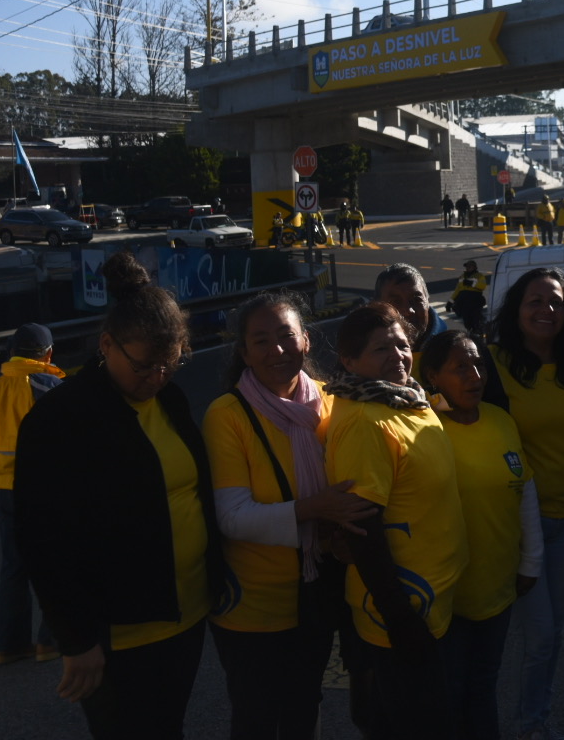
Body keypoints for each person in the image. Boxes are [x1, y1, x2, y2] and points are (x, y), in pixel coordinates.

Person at [14, 252, 223, 739]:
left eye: (171, 365)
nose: (156, 378)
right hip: (118, 634)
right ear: (107, 344)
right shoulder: (60, 421)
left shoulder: (168, 399)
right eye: (144, 366)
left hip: (185, 616)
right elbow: (43, 541)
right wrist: (76, 638)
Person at [202, 289, 378, 739]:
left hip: (315, 592)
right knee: (257, 714)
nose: (276, 350)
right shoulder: (228, 415)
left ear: (306, 341)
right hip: (252, 604)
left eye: (286, 336)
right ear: (243, 353)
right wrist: (313, 509)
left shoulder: (329, 403)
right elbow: (233, 517)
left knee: (304, 704)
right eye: (260, 341)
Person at [324, 303, 468, 740]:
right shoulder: (367, 421)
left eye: (403, 345)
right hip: (402, 610)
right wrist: (400, 618)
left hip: (432, 598)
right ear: (348, 361)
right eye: (381, 348)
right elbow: (362, 528)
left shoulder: (404, 399)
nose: (398, 356)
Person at [483, 267, 564, 740]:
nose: (547, 311)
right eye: (535, 302)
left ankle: (532, 721)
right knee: (542, 636)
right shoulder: (491, 362)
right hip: (523, 522)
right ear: (515, 309)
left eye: (556, 302)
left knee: (552, 631)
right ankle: (530, 727)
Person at [421, 331, 543, 740]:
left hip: (497, 589)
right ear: (433, 376)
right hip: (448, 596)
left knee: (483, 685)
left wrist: (531, 562)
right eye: (460, 368)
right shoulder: (425, 431)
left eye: (479, 365)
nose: (475, 376)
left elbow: (524, 490)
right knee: (450, 693)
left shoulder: (501, 420)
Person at [0, 322, 66, 665]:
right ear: (48, 354)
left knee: (13, 567)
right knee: (54, 562)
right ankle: (50, 640)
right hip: (42, 488)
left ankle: (10, 645)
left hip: (3, 490)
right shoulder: (50, 386)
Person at [374, 263, 449, 350]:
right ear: (378, 306)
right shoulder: (360, 353)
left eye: (416, 300)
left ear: (427, 301)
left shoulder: (449, 352)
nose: (408, 311)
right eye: (395, 302)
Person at [449, 260, 490, 336]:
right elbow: (457, 290)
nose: (468, 268)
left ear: (474, 267)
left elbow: (482, 286)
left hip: (475, 301)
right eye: (467, 266)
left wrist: (471, 284)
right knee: (467, 321)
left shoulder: (479, 276)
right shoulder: (462, 277)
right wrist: (450, 302)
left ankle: (479, 334)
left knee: (476, 320)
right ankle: (471, 333)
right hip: (464, 302)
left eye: (470, 266)